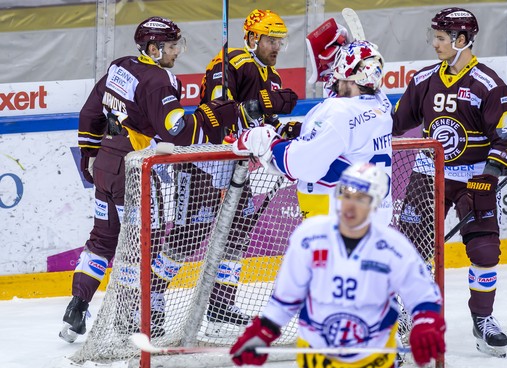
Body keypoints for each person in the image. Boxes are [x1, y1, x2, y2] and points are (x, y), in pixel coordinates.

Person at [60, 16, 250, 343]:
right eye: (173, 45)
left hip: (107, 161)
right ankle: (133, 317)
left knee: (103, 238)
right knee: (143, 243)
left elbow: (91, 111)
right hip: (134, 169)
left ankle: (76, 307)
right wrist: (217, 114)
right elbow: (178, 133)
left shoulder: (121, 66)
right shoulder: (160, 80)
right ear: (154, 48)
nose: (178, 51)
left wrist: (89, 152)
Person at [229, 162, 446, 368]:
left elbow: (423, 296)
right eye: (346, 194)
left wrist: (426, 323)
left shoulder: (393, 248)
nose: (350, 205)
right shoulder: (309, 238)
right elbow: (286, 298)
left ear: (376, 204)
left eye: (361, 198)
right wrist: (263, 330)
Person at [391, 7, 507, 358]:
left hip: (472, 181)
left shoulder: (488, 85)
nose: (435, 44)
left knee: (485, 251)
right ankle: (404, 316)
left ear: (462, 41)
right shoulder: (424, 80)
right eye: (436, 37)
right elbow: (397, 122)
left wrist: (489, 176)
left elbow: (505, 139)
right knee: (410, 252)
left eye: (442, 38)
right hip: (428, 176)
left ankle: (483, 319)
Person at [195, 9, 298, 335]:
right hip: (207, 161)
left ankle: (221, 307)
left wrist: (284, 128)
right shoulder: (232, 62)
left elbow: (262, 121)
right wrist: (265, 102)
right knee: (187, 240)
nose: (277, 47)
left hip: (239, 167)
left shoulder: (272, 75)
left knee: (236, 236)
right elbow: (217, 111)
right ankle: (151, 307)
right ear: (252, 37)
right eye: (271, 40)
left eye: (280, 41)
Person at [233, 39, 393, 221]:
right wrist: (354, 55)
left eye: (338, 69)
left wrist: (268, 141)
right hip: (376, 219)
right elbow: (352, 95)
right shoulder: (382, 104)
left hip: (339, 224)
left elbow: (300, 164)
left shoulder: (338, 112)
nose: (334, 75)